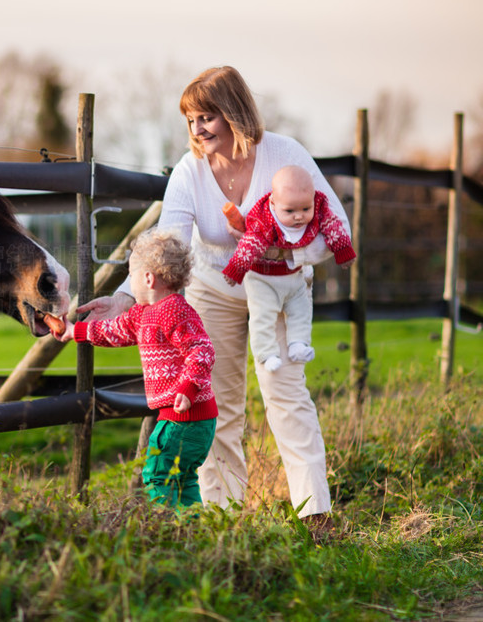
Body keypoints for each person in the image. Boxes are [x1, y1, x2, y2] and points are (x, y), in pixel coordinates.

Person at [78, 66, 348, 526]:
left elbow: (335, 227)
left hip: (278, 288)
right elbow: (168, 247)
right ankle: (223, 518)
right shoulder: (190, 171)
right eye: (190, 120)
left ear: (234, 114)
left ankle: (315, 514)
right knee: (215, 404)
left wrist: (282, 248)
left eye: (207, 117)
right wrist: (125, 298)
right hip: (213, 289)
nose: (197, 129)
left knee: (285, 395)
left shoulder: (285, 156)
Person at [53, 229, 217, 509]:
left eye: (132, 274)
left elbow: (202, 351)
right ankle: (192, 531)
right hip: (184, 417)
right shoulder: (142, 314)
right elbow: (112, 330)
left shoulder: (175, 311)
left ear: (148, 278)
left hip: (187, 417)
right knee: (182, 478)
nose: (131, 282)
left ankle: (168, 530)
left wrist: (188, 388)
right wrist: (75, 331)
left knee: (156, 474)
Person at [222, 164, 356, 373]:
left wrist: (343, 249)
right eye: (290, 211)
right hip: (263, 279)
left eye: (305, 209)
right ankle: (266, 354)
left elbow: (333, 225)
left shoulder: (320, 208)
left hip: (294, 276)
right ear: (274, 203)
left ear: (313, 199)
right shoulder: (264, 218)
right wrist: (237, 268)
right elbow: (251, 243)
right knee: (262, 316)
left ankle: (299, 344)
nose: (299, 216)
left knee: (301, 310)